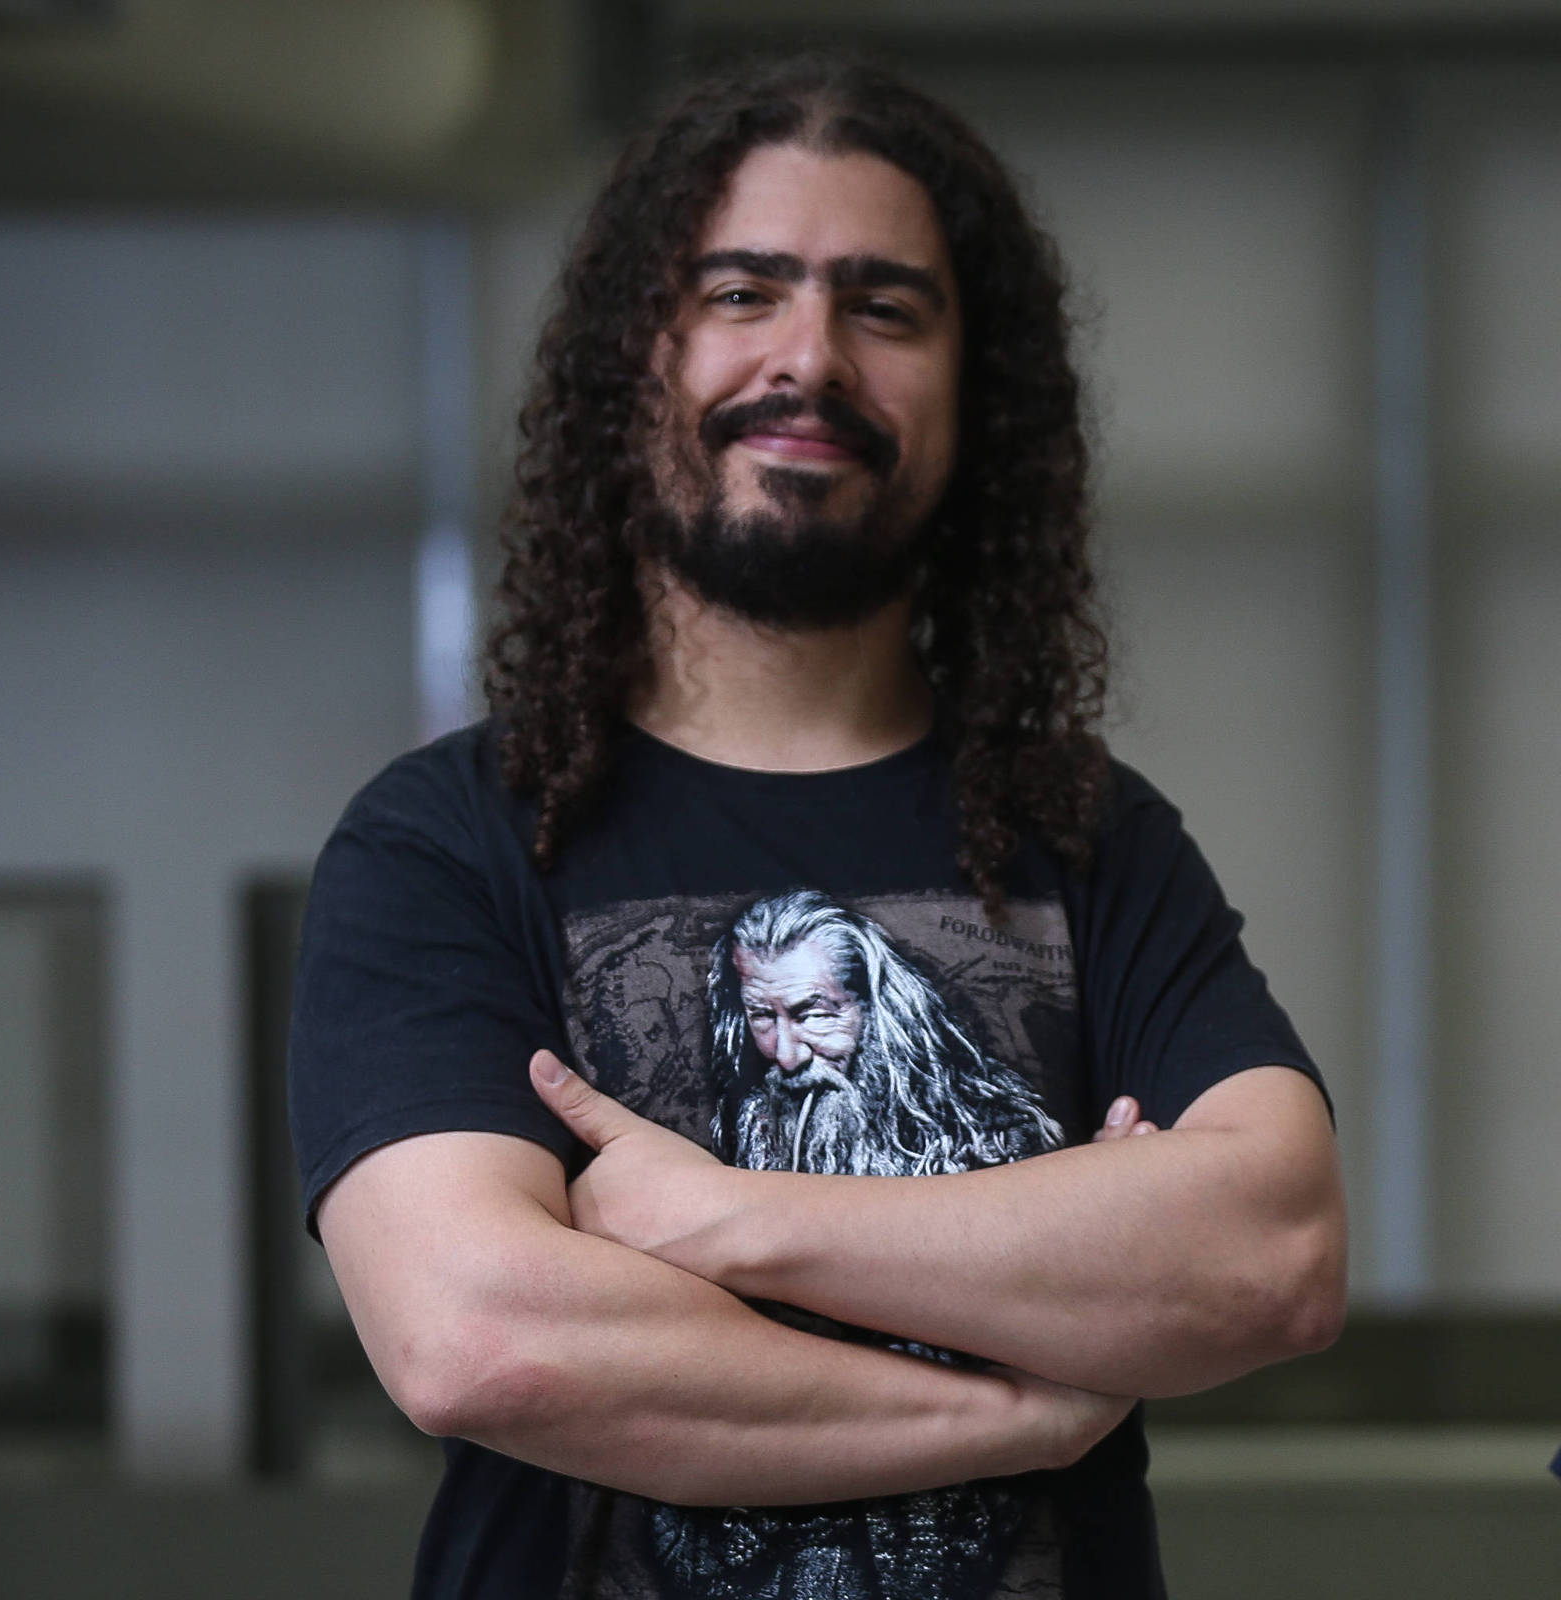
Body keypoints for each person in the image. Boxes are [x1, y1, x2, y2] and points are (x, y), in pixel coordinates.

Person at [288, 53, 1346, 1600]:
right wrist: (1015, 1397)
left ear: (974, 398)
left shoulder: (1085, 834)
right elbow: (487, 1339)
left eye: (885, 307)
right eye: (742, 293)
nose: (812, 357)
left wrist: (717, 1220)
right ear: (633, 359)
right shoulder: (447, 841)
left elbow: (1276, 1256)